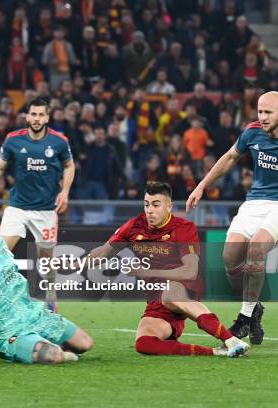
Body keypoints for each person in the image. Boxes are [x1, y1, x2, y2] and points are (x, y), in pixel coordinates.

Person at [86, 182, 250, 357]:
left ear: (169, 206)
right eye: (146, 204)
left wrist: (146, 273)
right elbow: (103, 252)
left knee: (170, 295)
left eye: (156, 205)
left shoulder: (184, 228)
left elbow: (189, 272)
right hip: (156, 300)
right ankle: (217, 352)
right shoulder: (134, 226)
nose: (149, 210)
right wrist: (73, 264)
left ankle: (230, 340)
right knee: (144, 344)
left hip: (183, 285)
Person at [0, 198, 93, 366]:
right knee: (53, 355)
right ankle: (27, 347)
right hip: (9, 330)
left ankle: (46, 343)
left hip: (34, 315)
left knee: (85, 343)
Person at [0, 98, 75, 311]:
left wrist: (65, 191)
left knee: (46, 259)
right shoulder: (13, 140)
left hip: (46, 211)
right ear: (27, 116)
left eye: (41, 115)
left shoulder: (59, 141)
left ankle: (51, 295)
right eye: (33, 114)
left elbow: (69, 166)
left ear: (47, 117)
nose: (37, 119)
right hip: (17, 207)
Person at [186, 91, 278, 345]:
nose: (262, 117)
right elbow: (229, 158)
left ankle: (244, 318)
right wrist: (201, 186)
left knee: (256, 250)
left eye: (268, 112)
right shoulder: (252, 132)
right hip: (255, 202)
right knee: (229, 258)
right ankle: (254, 307)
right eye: (260, 111)